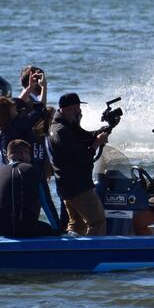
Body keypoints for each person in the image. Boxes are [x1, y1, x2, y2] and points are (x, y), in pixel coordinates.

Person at [47, 92, 109, 236]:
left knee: (77, 225)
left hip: (68, 186)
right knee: (97, 222)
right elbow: (82, 158)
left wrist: (101, 132)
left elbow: (82, 137)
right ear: (69, 108)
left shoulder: (64, 124)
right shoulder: (61, 131)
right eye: (77, 109)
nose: (80, 112)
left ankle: (70, 255)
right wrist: (97, 143)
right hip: (78, 187)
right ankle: (93, 256)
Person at [0, 139, 59, 237]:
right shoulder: (36, 172)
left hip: (0, 228)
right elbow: (47, 205)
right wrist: (58, 231)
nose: (30, 158)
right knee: (47, 228)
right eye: (28, 154)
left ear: (8, 155)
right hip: (29, 229)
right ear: (23, 154)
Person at [0, 96, 46, 166]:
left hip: (7, 168)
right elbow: (40, 110)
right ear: (8, 111)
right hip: (25, 169)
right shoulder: (18, 126)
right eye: (12, 106)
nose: (14, 106)